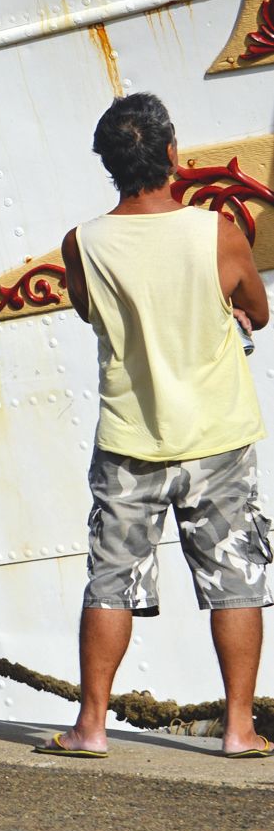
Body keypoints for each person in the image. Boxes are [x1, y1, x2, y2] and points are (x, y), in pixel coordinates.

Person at [42, 92, 271, 759]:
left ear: (107, 164)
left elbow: (89, 311)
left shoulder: (82, 242)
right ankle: (237, 728)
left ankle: (89, 726)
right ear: (171, 154)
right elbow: (255, 305)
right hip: (217, 438)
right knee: (235, 582)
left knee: (110, 581)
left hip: (128, 439)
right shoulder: (216, 232)